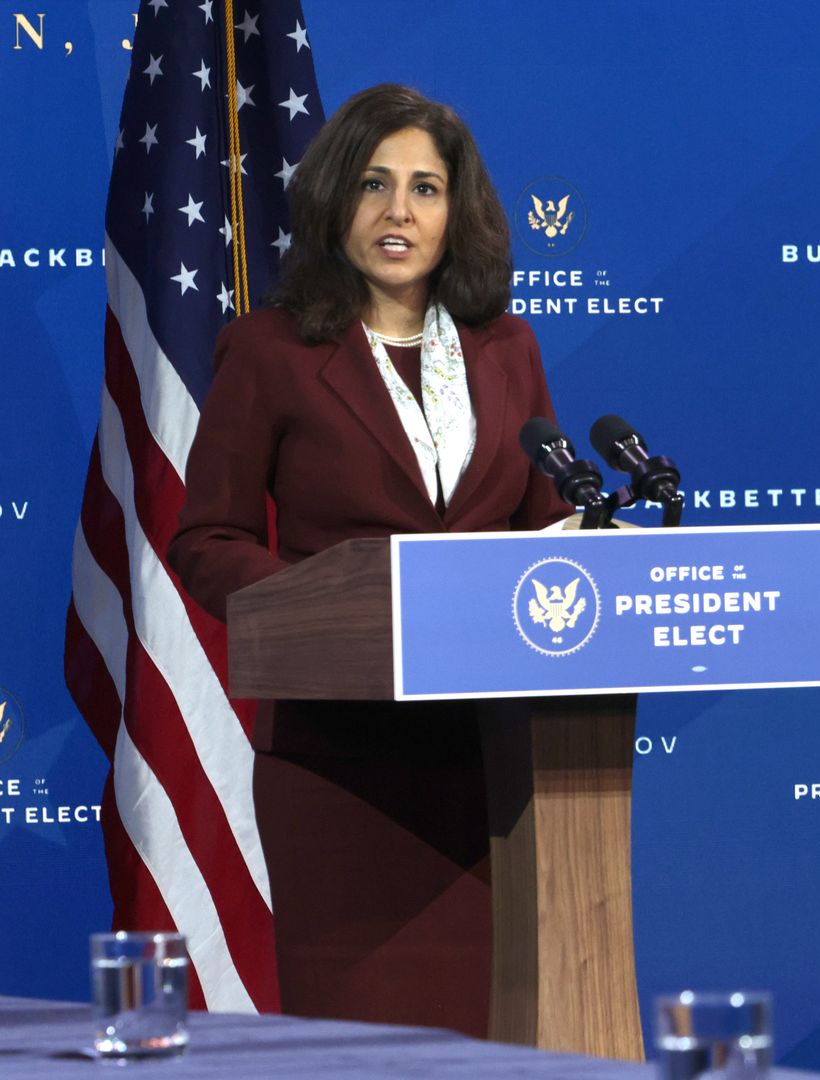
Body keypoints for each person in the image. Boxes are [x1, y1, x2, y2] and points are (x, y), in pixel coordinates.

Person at [167, 84, 572, 1035]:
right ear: (333, 200)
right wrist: (332, 609)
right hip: (339, 763)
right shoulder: (270, 351)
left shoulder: (507, 349)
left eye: (425, 188)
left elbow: (547, 525)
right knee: (361, 1036)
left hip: (492, 762)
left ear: (457, 211)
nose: (399, 211)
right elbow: (208, 540)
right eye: (373, 184)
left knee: (492, 1039)